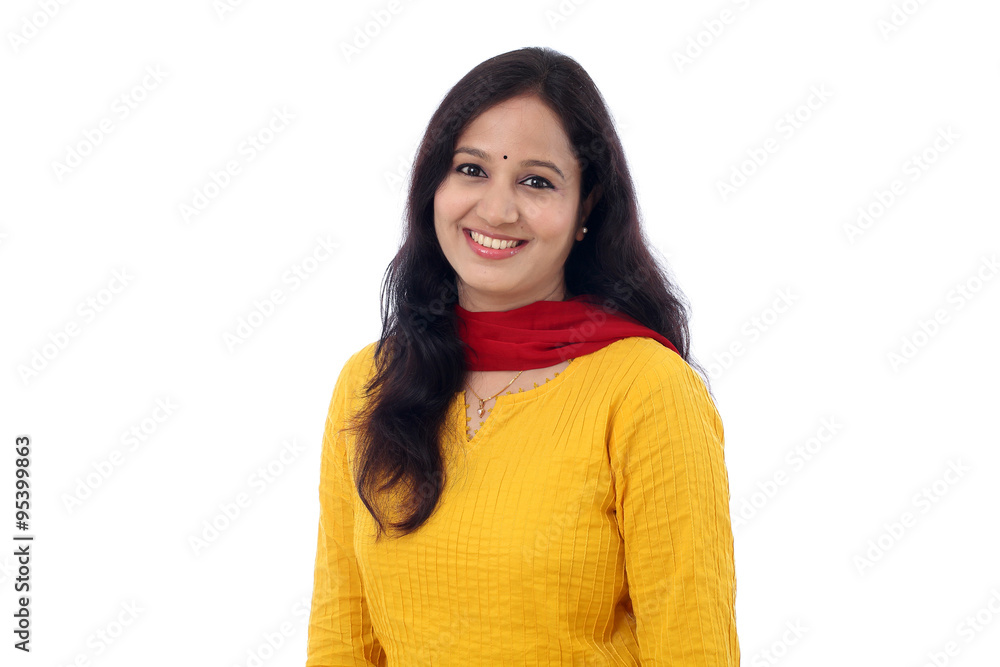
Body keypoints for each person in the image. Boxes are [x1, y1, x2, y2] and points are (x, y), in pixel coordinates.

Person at [306, 46, 739, 666]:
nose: (497, 210)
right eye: (471, 170)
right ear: (433, 186)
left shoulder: (646, 389)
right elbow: (340, 639)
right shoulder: (372, 382)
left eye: (537, 181)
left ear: (586, 207)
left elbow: (692, 647)